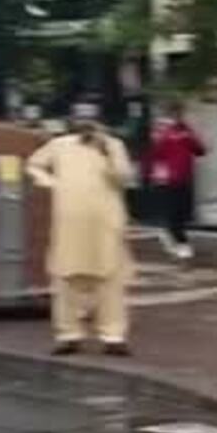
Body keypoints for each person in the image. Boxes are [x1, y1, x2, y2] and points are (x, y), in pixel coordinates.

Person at [28, 104, 136, 357]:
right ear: (73, 121)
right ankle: (68, 335)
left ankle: (113, 336)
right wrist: (52, 184)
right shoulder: (60, 145)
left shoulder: (113, 145)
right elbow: (34, 165)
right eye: (81, 119)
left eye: (91, 120)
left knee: (110, 280)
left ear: (99, 122)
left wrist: (106, 150)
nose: (86, 124)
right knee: (66, 279)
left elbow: (123, 177)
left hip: (105, 224)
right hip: (69, 223)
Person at [148, 104, 206, 262]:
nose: (180, 116)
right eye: (178, 113)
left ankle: (175, 240)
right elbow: (157, 153)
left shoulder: (179, 132)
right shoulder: (172, 133)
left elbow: (200, 150)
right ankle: (181, 244)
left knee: (179, 213)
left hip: (181, 178)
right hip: (173, 179)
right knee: (176, 214)